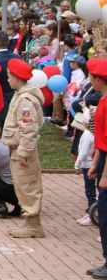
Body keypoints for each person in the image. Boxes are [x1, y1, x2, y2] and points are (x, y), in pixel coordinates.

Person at [1, 58, 45, 238]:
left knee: (27, 185)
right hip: (17, 148)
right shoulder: (20, 95)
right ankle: (29, 222)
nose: (8, 79)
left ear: (17, 77)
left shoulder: (25, 99)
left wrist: (25, 152)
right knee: (22, 185)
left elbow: (29, 128)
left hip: (22, 150)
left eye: (9, 76)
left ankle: (33, 224)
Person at [87, 58, 107, 278]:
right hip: (102, 158)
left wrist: (105, 176)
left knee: (106, 216)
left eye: (92, 76)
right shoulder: (102, 101)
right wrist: (95, 161)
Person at [73, 113, 95, 226]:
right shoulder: (94, 134)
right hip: (92, 163)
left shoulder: (87, 134)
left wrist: (77, 165)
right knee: (92, 189)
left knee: (90, 190)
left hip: (88, 165)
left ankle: (92, 214)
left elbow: (83, 152)